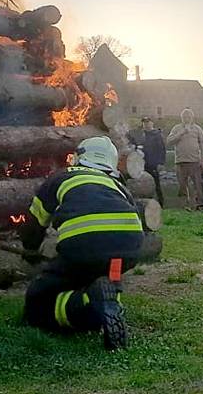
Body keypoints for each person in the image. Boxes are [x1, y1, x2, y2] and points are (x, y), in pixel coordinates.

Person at [19, 136, 144, 350]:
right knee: (104, 272)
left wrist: (30, 249)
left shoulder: (61, 177)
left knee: (37, 303)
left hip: (83, 250)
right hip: (126, 253)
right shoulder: (117, 184)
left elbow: (34, 224)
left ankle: (90, 303)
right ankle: (110, 294)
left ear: (79, 156)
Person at [166, 109, 203, 210]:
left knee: (198, 185)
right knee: (182, 186)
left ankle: (199, 205)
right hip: (180, 162)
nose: (187, 119)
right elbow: (169, 141)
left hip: (195, 162)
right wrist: (181, 133)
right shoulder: (176, 128)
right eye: (185, 117)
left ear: (192, 118)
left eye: (189, 117)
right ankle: (184, 205)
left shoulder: (197, 129)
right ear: (181, 118)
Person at [128, 117, 166, 207]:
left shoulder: (157, 135)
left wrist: (161, 163)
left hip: (153, 164)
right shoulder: (140, 134)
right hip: (141, 164)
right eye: (144, 123)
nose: (146, 124)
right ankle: (141, 203)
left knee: (156, 184)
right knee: (139, 184)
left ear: (152, 123)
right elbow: (133, 142)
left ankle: (161, 204)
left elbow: (162, 149)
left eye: (148, 122)